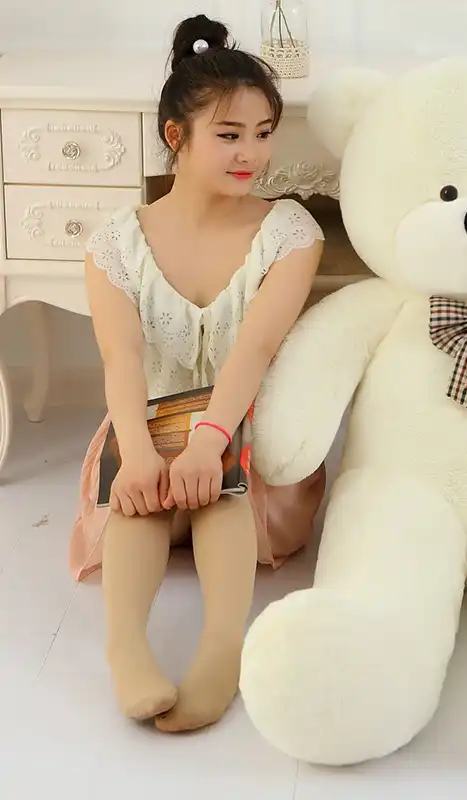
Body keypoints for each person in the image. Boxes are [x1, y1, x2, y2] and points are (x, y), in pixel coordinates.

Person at [68, 14, 326, 733]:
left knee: (223, 481)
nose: (253, 153)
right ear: (176, 136)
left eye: (264, 133)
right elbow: (122, 359)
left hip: (242, 435)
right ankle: (127, 650)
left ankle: (221, 650)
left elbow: (256, 350)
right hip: (144, 430)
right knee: (141, 492)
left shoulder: (289, 233)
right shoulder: (116, 243)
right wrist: (138, 452)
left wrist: (210, 442)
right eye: (230, 134)